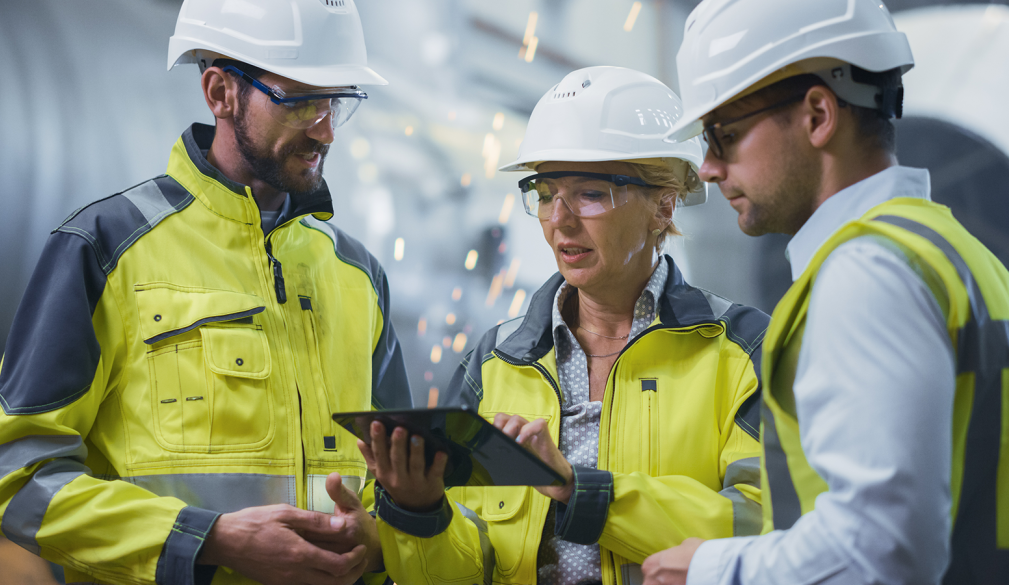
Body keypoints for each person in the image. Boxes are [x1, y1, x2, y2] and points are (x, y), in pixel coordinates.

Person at [0, 1, 411, 584]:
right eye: (301, 100)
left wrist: (381, 540)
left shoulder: (358, 275)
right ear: (220, 92)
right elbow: (19, 481)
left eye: (336, 100)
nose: (325, 128)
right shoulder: (107, 249)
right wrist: (211, 540)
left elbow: (404, 482)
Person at [640, 1, 1009, 584]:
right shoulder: (954, 252)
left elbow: (883, 549)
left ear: (817, 114)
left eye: (725, 135)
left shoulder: (866, 275)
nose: (708, 167)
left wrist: (714, 570)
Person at [360, 66, 769, 585]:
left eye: (591, 193)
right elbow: (469, 568)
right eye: (547, 192)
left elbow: (762, 528)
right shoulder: (497, 361)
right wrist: (419, 512)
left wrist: (581, 491)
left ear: (663, 205)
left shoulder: (741, 352)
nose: (560, 219)